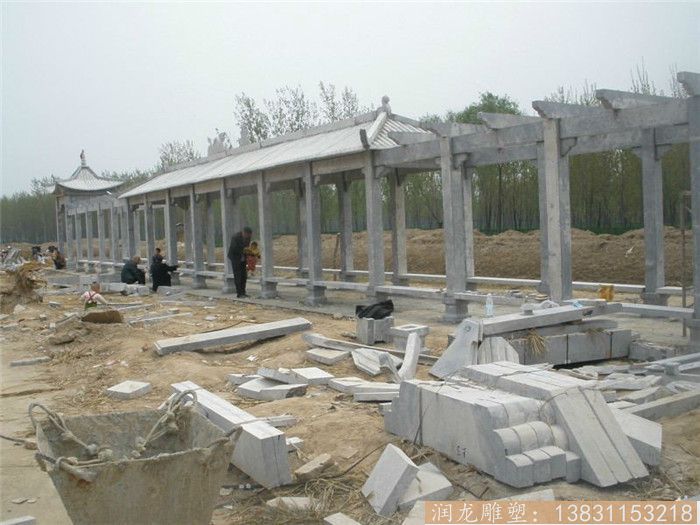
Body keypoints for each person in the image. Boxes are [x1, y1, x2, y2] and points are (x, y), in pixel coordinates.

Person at [227, 226, 252, 298]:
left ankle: (243, 292)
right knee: (238, 276)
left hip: (243, 258)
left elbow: (247, 246)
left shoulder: (248, 238)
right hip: (235, 258)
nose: (248, 237)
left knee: (244, 276)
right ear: (244, 233)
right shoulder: (235, 237)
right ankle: (239, 293)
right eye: (247, 235)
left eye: (249, 236)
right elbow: (234, 248)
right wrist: (243, 250)